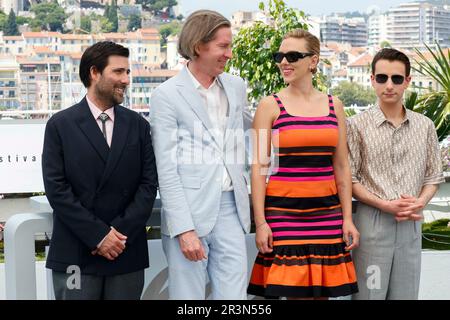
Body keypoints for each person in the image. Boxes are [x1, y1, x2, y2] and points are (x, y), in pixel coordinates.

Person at [247, 29, 360, 299]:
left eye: (293, 56)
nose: (284, 62)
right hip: (284, 216)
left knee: (322, 293)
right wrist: (261, 222)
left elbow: (342, 167)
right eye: (280, 56)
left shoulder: (336, 105)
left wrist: (347, 219)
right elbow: (258, 167)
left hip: (327, 214)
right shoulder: (269, 105)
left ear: (313, 61)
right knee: (294, 292)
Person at [42, 41, 158, 300]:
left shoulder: (138, 125)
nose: (126, 80)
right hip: (76, 252)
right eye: (118, 72)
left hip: (125, 250)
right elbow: (57, 190)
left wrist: (116, 237)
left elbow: (148, 186)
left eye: (127, 72)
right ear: (94, 72)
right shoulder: (60, 125)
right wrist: (98, 236)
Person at [149, 10, 252, 300]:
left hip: (232, 207)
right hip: (189, 213)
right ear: (198, 46)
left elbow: (253, 134)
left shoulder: (236, 86)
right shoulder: (166, 95)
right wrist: (184, 229)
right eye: (223, 46)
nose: (229, 54)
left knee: (235, 299)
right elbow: (166, 168)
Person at [347, 48, 445, 300]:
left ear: (407, 82)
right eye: (382, 78)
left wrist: (419, 202)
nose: (389, 85)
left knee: (406, 296)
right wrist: (384, 204)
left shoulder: (425, 126)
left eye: (396, 79)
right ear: (372, 80)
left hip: (410, 224)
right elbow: (350, 179)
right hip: (372, 224)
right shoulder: (356, 125)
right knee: (370, 295)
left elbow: (434, 177)